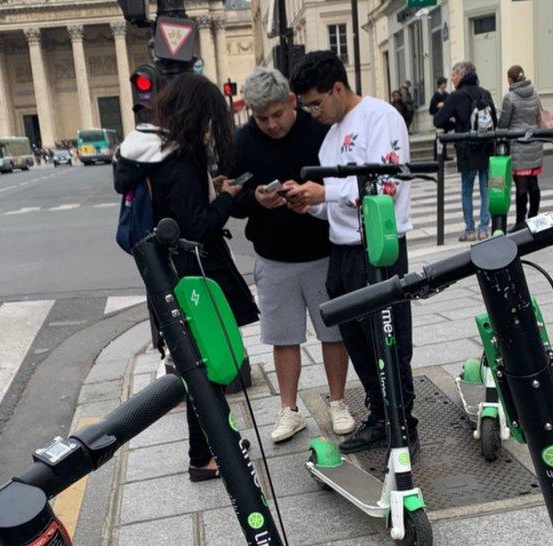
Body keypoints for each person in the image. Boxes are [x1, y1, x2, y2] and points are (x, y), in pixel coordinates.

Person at [114, 72, 257, 481]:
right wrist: (227, 198)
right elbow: (196, 226)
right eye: (210, 119)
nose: (212, 128)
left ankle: (215, 444)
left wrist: (209, 189)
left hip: (165, 274)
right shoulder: (181, 161)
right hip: (192, 277)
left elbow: (174, 208)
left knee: (198, 363)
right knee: (204, 365)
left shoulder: (153, 155)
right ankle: (204, 456)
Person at [283, 50, 420, 457]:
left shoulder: (382, 118)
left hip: (378, 246)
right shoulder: (330, 137)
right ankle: (379, 417)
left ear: (338, 88)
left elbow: (387, 186)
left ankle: (403, 423)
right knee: (357, 341)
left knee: (389, 339)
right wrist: (308, 203)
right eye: (307, 105)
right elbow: (335, 204)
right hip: (341, 251)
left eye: (316, 102)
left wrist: (326, 192)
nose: (312, 112)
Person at [232, 66, 354, 443]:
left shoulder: (321, 130)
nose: (270, 124)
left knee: (333, 332)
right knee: (283, 337)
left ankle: (338, 402)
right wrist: (255, 198)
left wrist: (313, 192)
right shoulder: (242, 142)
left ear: (291, 101)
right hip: (273, 254)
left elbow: (342, 183)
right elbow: (233, 201)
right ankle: (289, 410)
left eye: (277, 114)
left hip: (322, 250)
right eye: (261, 118)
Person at [434, 60, 496, 241]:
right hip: (485, 147)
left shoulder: (456, 96)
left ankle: (469, 229)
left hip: (466, 148)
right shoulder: (485, 93)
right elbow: (495, 120)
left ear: (461, 75)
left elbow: (438, 120)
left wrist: (452, 120)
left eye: (454, 75)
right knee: (486, 188)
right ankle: (484, 228)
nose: (452, 78)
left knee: (467, 189)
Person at [498, 65, 543, 230]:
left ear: (510, 79)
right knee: (534, 184)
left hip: (518, 144)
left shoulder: (510, 97)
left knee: (521, 187)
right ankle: (534, 217)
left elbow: (503, 123)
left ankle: (520, 222)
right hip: (535, 141)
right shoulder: (534, 93)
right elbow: (538, 116)